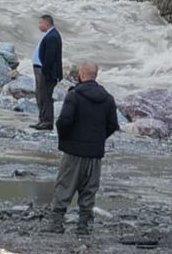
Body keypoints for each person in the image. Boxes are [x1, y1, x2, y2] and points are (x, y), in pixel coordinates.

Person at [45, 62, 118, 235]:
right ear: (95, 75)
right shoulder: (108, 98)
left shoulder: (74, 95)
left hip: (73, 151)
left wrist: (66, 139)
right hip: (94, 153)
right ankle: (83, 226)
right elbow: (113, 125)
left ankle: (57, 223)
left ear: (82, 74)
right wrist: (99, 139)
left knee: (64, 186)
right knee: (89, 190)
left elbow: (64, 121)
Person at [31, 14, 63, 131]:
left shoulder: (52, 37)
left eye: (40, 23)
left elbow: (50, 58)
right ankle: (42, 119)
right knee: (41, 96)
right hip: (42, 71)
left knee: (45, 97)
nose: (39, 25)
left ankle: (47, 121)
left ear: (46, 23)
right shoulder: (50, 35)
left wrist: (45, 71)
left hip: (46, 73)